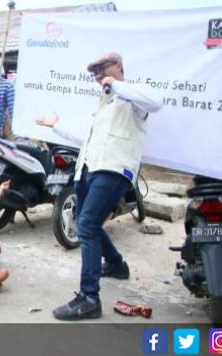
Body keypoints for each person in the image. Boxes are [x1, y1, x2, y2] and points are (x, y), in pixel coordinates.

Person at [37, 52, 163, 321]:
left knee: (88, 226)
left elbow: (156, 103)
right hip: (89, 168)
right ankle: (117, 265)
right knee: (86, 221)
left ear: (118, 66)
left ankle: (89, 298)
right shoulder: (103, 104)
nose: (97, 75)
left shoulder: (133, 99)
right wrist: (56, 126)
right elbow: (86, 136)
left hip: (114, 169)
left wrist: (114, 84)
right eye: (94, 72)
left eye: (101, 69)